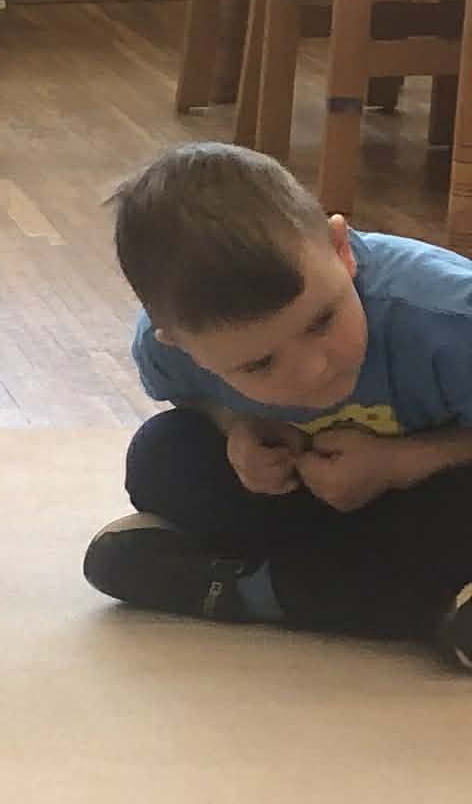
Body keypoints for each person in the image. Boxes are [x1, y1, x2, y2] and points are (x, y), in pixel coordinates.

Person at [84, 142, 472, 667]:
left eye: (322, 321)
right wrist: (235, 426)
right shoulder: (165, 351)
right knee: (161, 454)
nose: (312, 370)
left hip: (430, 493)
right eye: (259, 364)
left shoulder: (447, 318)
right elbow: (193, 400)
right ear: (180, 345)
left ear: (341, 249)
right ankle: (411, 600)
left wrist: (400, 464)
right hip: (313, 498)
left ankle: (239, 587)